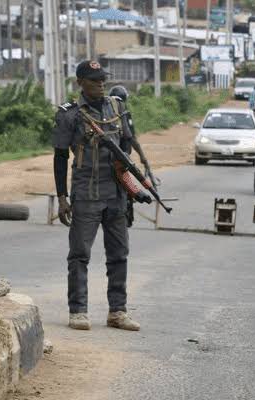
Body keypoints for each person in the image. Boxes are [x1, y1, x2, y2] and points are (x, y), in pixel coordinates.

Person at [52, 60, 144, 331]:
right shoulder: (69, 115)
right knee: (80, 255)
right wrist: (61, 197)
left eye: (103, 79)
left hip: (116, 194)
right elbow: (59, 158)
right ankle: (78, 311)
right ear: (80, 82)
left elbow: (126, 156)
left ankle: (118, 311)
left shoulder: (117, 108)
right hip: (86, 195)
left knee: (119, 255)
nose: (101, 84)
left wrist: (130, 192)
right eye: (94, 80)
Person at [108, 85, 159, 227]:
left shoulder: (105, 111)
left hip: (107, 158)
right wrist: (143, 157)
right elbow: (131, 138)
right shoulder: (124, 112)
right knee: (126, 186)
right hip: (122, 159)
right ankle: (125, 212)